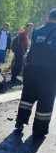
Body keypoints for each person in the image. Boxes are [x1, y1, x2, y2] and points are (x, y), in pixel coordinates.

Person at [15, 9, 56, 137]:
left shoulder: (37, 31)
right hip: (49, 72)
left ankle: (20, 122)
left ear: (47, 17)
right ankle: (39, 131)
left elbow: (31, 50)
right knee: (45, 101)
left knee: (27, 97)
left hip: (32, 69)